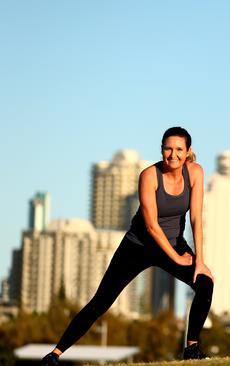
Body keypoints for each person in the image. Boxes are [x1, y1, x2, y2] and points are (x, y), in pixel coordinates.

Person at [41, 127, 214, 365]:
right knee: (101, 301)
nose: (172, 154)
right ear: (162, 149)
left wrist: (200, 261)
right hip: (138, 245)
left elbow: (196, 217)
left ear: (188, 152)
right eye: (168, 148)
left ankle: (191, 349)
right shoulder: (149, 176)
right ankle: (54, 355)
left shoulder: (195, 173)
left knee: (205, 283)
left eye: (178, 149)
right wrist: (176, 258)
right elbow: (152, 226)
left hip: (174, 242)